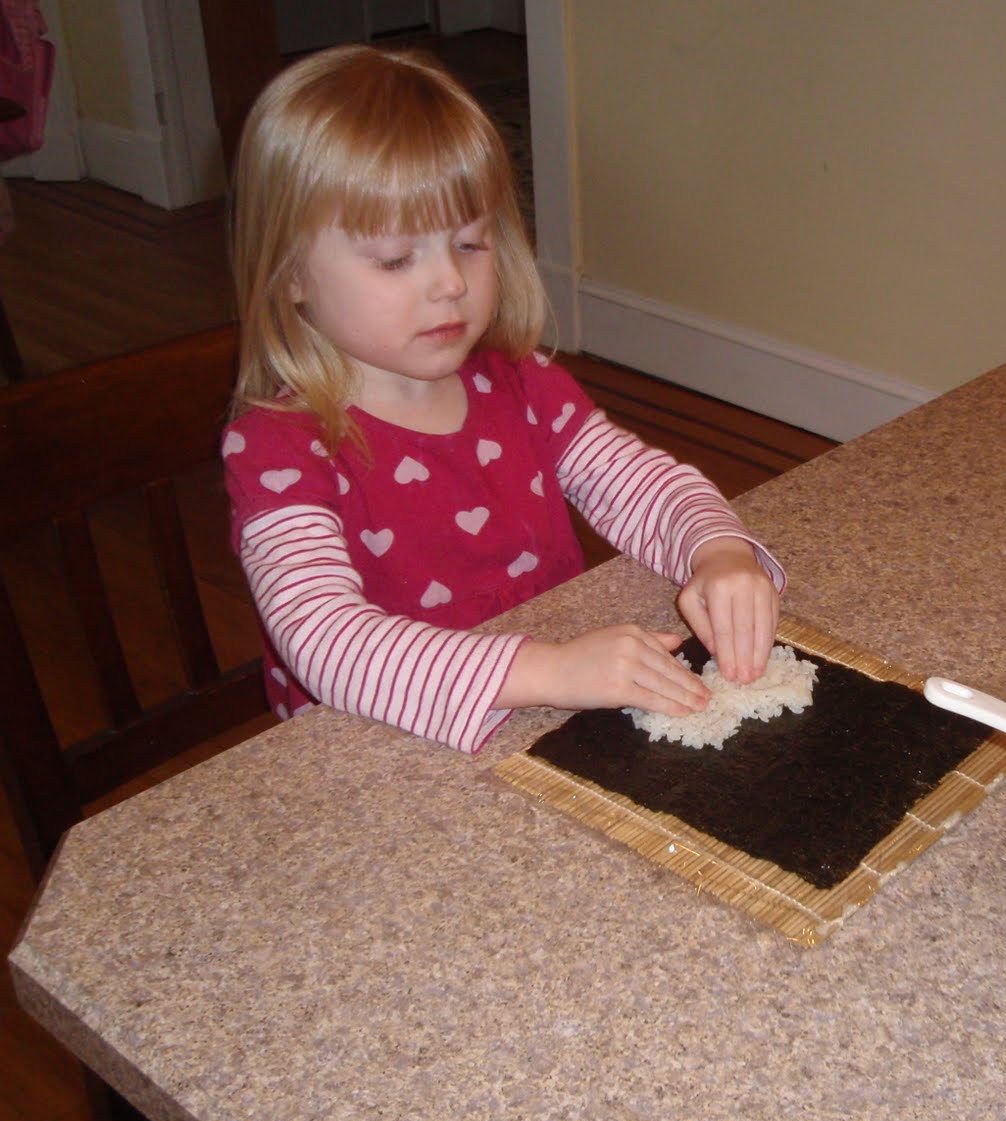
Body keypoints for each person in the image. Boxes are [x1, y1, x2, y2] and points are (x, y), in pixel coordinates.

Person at [222, 44, 782, 753]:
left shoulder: (521, 382)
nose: (449, 283)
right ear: (289, 273)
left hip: (545, 712)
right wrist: (546, 669)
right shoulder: (277, 445)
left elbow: (640, 482)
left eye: (470, 243)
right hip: (379, 750)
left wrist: (720, 550)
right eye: (396, 259)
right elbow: (327, 644)